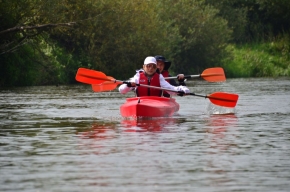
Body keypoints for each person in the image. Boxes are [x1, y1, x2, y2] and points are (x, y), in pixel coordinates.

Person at [118, 56, 190, 97]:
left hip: (156, 102)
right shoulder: (137, 77)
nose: (150, 68)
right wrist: (129, 85)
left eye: (153, 66)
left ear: (156, 68)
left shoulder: (159, 78)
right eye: (148, 66)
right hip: (140, 101)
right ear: (144, 67)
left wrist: (182, 89)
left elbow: (171, 89)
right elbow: (121, 90)